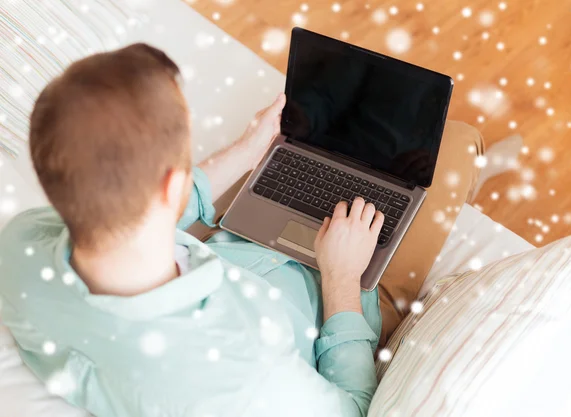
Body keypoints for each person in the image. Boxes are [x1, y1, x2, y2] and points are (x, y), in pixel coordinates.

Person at [0, 43, 483, 417]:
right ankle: (481, 169)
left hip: (238, 244)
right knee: (454, 144)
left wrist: (245, 153)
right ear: (172, 185)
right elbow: (353, 407)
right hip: (344, 295)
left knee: (321, 123)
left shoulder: (19, 246)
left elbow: (120, 214)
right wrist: (341, 280)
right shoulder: (242, 378)